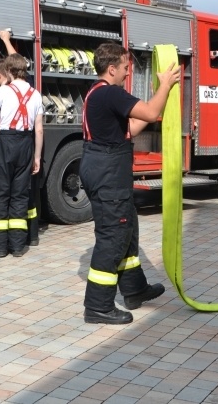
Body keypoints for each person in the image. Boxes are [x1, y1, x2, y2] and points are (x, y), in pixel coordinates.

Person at [81, 42, 180, 324]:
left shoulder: (97, 93)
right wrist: (166, 85)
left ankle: (135, 289)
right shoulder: (110, 93)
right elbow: (149, 114)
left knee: (127, 228)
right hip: (107, 174)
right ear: (111, 69)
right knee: (113, 236)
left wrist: (155, 100)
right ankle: (97, 306)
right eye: (125, 67)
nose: (127, 72)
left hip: (105, 170)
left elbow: (135, 125)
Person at [0, 32, 45, 246]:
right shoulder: (36, 94)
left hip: (6, 143)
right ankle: (18, 244)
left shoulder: (3, 91)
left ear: (9, 71)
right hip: (27, 144)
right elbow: (39, 130)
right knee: (20, 194)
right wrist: (37, 157)